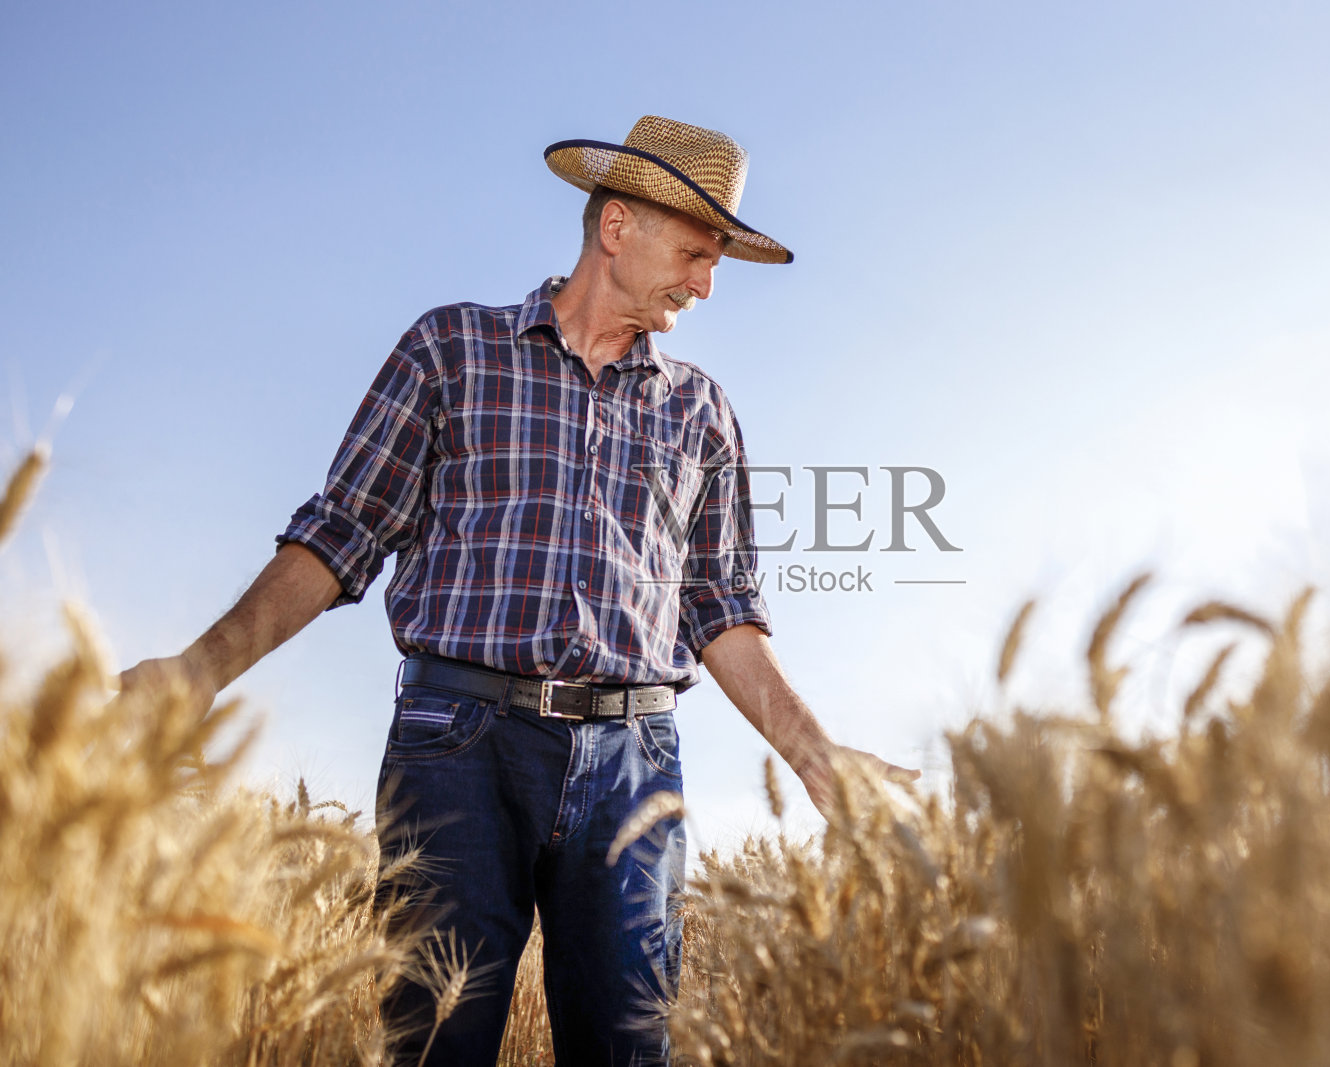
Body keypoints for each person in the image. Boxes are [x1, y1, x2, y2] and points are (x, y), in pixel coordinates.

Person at [119, 115, 917, 1065]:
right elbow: (341, 534)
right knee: (432, 1041)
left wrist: (817, 758)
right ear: (616, 227)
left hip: (635, 762)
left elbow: (720, 609)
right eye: (697, 254)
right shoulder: (450, 350)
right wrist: (199, 669)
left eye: (717, 263)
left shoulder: (701, 411)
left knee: (627, 1049)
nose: (707, 284)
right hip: (459, 746)